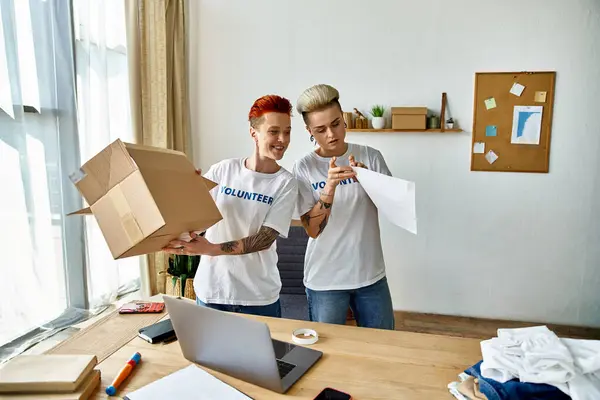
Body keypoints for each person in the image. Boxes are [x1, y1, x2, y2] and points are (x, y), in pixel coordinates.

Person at [163, 95, 297, 318]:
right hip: (212, 292)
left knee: (262, 354)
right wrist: (187, 187)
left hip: (258, 296)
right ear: (254, 132)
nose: (282, 139)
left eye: (287, 131)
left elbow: (264, 239)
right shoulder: (223, 170)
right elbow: (191, 213)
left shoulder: (286, 183)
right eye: (274, 131)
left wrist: (210, 249)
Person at [292, 84, 395, 329]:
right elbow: (313, 230)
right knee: (329, 353)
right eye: (321, 129)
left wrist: (371, 181)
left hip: (371, 274)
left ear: (344, 118)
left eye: (336, 123)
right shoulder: (304, 167)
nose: (331, 134)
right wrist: (329, 188)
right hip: (326, 280)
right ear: (309, 131)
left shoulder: (371, 156)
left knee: (385, 350)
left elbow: (394, 210)